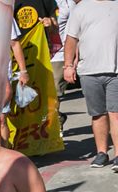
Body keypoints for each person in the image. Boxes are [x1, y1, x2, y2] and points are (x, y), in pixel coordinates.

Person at [62, 0, 118, 169]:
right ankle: (101, 153)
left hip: (115, 71)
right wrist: (68, 66)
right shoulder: (81, 9)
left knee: (115, 113)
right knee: (98, 114)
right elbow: (71, 39)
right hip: (89, 71)